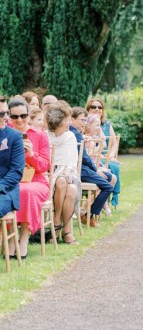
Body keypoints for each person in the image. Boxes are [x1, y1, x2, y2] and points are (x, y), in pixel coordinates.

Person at [7, 98, 50, 259]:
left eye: (23, 116)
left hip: (36, 181)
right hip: (12, 179)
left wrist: (32, 155)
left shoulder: (39, 135)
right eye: (15, 117)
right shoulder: (5, 134)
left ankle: (24, 238)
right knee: (12, 189)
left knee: (25, 191)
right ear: (9, 116)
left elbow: (45, 166)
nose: (19, 120)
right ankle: (11, 237)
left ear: (28, 115)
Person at [71, 107, 115, 226]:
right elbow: (84, 158)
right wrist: (96, 170)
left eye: (86, 120)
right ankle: (88, 215)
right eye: (82, 120)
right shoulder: (74, 134)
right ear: (72, 119)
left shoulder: (76, 133)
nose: (84, 123)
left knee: (110, 177)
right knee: (107, 187)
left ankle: (88, 213)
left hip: (85, 168)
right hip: (81, 171)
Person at [46, 103, 80, 244]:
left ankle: (57, 223)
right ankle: (66, 231)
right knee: (63, 183)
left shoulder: (70, 136)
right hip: (50, 174)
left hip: (69, 172)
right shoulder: (45, 136)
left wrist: (67, 171)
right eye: (67, 120)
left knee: (70, 186)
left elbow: (72, 161)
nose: (70, 123)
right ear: (58, 122)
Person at [86, 97, 120, 208]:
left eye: (99, 107)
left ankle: (105, 199)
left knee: (113, 165)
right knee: (108, 167)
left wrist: (110, 155)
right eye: (93, 107)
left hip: (105, 156)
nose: (97, 109)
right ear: (88, 109)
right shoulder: (86, 124)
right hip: (93, 157)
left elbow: (114, 143)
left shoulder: (106, 125)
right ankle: (99, 201)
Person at [0, 96, 25, 221]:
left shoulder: (14, 136)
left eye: (7, 113)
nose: (6, 117)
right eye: (1, 114)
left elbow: (16, 171)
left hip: (5, 190)